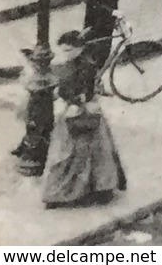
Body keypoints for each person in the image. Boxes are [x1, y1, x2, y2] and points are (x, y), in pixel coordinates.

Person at [41, 31, 125, 208]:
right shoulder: (72, 65)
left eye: (70, 50)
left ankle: (82, 191)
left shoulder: (85, 66)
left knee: (75, 153)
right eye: (64, 50)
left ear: (79, 49)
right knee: (86, 153)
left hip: (80, 111)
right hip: (82, 111)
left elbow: (87, 89)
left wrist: (76, 98)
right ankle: (94, 189)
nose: (66, 53)